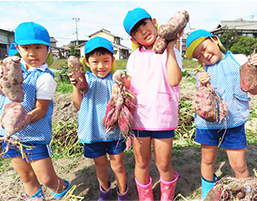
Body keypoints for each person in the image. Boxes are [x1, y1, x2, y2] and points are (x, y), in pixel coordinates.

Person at [0, 21, 70, 199]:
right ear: (17, 48)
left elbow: (40, 109)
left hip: (34, 136)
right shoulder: (12, 69)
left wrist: (23, 120)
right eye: (26, 47)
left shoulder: (45, 78)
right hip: (9, 136)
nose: (32, 53)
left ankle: (63, 190)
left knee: (47, 178)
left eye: (38, 47)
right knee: (26, 176)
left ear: (48, 49)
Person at [185, 29, 257, 199]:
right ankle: (207, 190)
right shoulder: (201, 72)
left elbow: (253, 90)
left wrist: (253, 69)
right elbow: (201, 100)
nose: (204, 56)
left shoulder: (239, 60)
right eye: (199, 56)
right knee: (208, 160)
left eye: (204, 48)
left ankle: (247, 190)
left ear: (215, 40)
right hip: (207, 124)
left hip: (233, 122)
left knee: (238, 164)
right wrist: (202, 84)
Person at [122, 7, 182, 201]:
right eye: (136, 31)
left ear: (154, 22)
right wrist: (120, 85)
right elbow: (130, 84)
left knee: (163, 163)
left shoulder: (170, 51)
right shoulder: (134, 57)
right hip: (139, 118)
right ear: (133, 38)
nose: (143, 31)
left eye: (144, 24)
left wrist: (171, 48)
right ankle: (145, 198)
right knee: (142, 162)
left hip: (163, 116)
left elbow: (174, 80)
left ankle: (167, 197)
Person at [70, 36, 128, 201]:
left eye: (105, 61)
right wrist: (76, 86)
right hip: (92, 132)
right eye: (95, 62)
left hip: (114, 132)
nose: (101, 66)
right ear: (87, 62)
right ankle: (105, 192)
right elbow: (77, 105)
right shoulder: (85, 80)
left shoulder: (115, 80)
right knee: (101, 165)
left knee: (117, 165)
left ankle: (122, 194)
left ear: (112, 60)